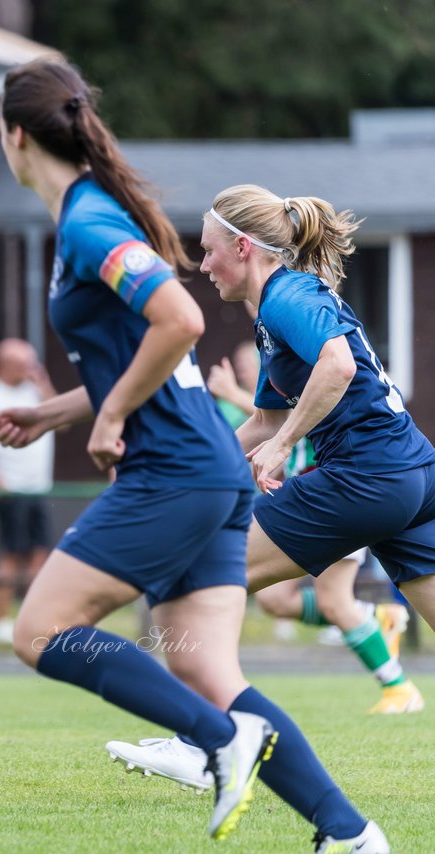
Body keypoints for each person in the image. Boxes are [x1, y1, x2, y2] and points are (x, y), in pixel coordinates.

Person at [0, 59, 384, 849]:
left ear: (16, 135)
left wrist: (110, 421)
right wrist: (58, 411)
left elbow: (181, 321)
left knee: (40, 630)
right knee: (209, 673)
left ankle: (216, 740)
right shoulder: (95, 216)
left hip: (176, 471)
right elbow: (152, 355)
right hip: (206, 466)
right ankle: (348, 834)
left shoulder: (88, 222)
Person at [103, 182, 435, 851]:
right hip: (412, 476)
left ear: (243, 248)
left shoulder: (289, 294)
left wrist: (284, 449)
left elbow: (336, 366)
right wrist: (200, 466)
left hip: (366, 475)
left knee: (190, 581)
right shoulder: (274, 310)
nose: (202, 265)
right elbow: (266, 420)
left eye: (208, 250)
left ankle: (203, 746)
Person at [206, 342, 419, 713]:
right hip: (308, 493)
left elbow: (279, 424)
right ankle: (373, 619)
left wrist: (233, 395)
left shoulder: (310, 369)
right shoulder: (284, 358)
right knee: (275, 600)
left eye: (248, 363)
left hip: (337, 493)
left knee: (330, 602)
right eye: (241, 364)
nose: (244, 368)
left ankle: (398, 687)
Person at [0, 338, 55, 645]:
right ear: (6, 364)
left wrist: (42, 382)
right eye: (26, 363)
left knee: (40, 553)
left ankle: (34, 617)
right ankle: (1, 621)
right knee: (10, 554)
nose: (32, 368)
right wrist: (1, 485)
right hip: (10, 492)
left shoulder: (32, 390)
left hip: (37, 489)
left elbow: (60, 420)